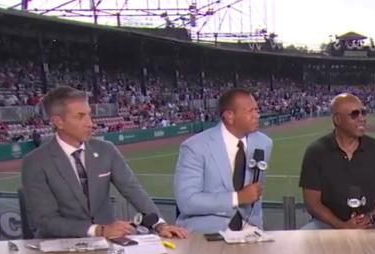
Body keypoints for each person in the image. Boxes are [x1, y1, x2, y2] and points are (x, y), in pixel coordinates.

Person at [20, 86, 188, 240]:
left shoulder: (106, 150)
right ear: (58, 122)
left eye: (89, 114)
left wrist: (160, 225)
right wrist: (98, 230)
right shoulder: (35, 162)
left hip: (108, 241)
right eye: (80, 116)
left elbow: (132, 189)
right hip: (58, 246)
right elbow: (45, 220)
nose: (90, 123)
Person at [174, 89, 272, 233]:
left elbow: (255, 196)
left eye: (257, 110)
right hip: (205, 231)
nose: (257, 116)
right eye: (250, 111)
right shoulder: (195, 147)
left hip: (250, 229)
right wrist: (237, 198)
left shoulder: (264, 143)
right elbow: (187, 202)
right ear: (229, 116)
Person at [299, 94, 375, 230]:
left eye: (363, 113)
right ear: (337, 119)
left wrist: (371, 217)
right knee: (307, 235)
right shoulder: (316, 152)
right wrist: (341, 225)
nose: (362, 118)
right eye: (354, 114)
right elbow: (312, 203)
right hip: (329, 222)